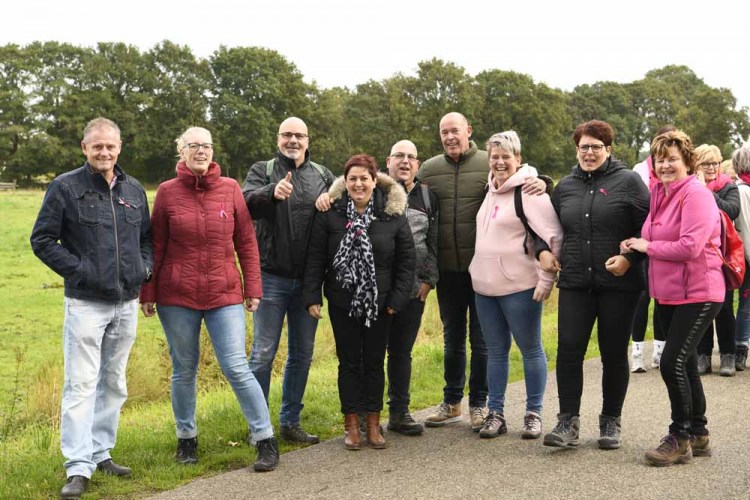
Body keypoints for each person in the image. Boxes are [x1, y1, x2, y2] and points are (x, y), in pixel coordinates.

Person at [140, 127, 278, 472]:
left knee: (236, 366)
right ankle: (186, 439)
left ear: (212, 151)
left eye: (206, 146)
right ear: (182, 151)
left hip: (224, 293)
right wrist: (148, 292)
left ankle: (264, 438)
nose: (201, 151)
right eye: (194, 146)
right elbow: (156, 245)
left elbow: (246, 242)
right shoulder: (167, 192)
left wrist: (253, 287)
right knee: (184, 369)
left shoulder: (230, 189)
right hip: (176, 295)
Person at [30, 118, 153, 499]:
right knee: (81, 384)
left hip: (126, 302)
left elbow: (146, 239)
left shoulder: (134, 189)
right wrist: (80, 271)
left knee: (114, 383)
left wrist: (144, 269)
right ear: (84, 148)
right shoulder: (65, 187)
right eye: (96, 146)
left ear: (119, 147)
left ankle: (102, 453)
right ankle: (78, 466)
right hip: (86, 304)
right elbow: (42, 239)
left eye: (110, 146)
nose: (104, 152)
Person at [418, 112, 546, 431]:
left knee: (484, 343)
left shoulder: (486, 163)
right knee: (452, 340)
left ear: (469, 131)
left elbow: (521, 175)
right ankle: (452, 402)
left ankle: (479, 404)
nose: (450, 137)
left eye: (455, 130)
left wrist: (543, 179)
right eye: (444, 132)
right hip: (449, 270)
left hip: (486, 273)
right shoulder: (429, 169)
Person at [542, 120, 649, 450]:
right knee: (568, 350)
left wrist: (630, 258)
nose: (589, 153)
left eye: (596, 147)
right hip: (575, 281)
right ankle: (567, 421)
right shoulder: (565, 187)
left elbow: (649, 229)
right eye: (583, 147)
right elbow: (546, 227)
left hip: (619, 284)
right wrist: (542, 251)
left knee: (613, 352)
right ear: (576, 150)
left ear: (609, 149)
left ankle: (610, 420)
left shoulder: (629, 182)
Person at [622, 129, 724, 466]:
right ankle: (699, 432)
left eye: (672, 160)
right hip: (669, 294)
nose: (665, 166)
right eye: (660, 160)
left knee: (671, 363)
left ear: (688, 162)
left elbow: (690, 247)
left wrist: (648, 246)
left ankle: (679, 436)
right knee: (686, 364)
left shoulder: (696, 195)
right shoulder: (659, 193)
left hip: (700, 292)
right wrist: (635, 244)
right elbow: (653, 235)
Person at [303, 154, 415, 450]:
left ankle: (374, 425)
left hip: (381, 304)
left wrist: (397, 299)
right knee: (349, 363)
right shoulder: (331, 213)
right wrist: (312, 296)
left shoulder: (392, 214)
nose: (358, 184)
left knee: (375, 363)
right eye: (352, 178)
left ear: (374, 181)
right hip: (343, 302)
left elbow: (407, 261)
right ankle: (352, 425)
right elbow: (316, 257)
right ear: (345, 182)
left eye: (364, 178)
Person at [242, 117, 334, 444]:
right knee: (262, 354)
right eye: (287, 135)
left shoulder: (323, 175)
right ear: (278, 138)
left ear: (308, 141)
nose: (293, 140)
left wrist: (330, 200)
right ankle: (259, 427)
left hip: (308, 281)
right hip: (270, 277)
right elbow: (244, 203)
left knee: (302, 354)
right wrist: (272, 192)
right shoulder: (262, 170)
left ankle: (290, 422)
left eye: (299, 135)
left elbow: (341, 208)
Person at [469, 131, 562, 439]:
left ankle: (534, 414)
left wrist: (546, 279)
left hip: (520, 288)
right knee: (496, 352)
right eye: (494, 157)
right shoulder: (488, 190)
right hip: (485, 289)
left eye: (506, 157)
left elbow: (554, 238)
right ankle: (495, 413)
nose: (499, 162)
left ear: (518, 159)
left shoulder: (530, 192)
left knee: (530, 349)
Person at [384, 140, 439, 436]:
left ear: (417, 164)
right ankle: (368, 415)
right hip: (380, 289)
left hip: (414, 290)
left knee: (401, 353)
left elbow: (433, 242)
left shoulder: (427, 196)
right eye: (399, 156)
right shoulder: (375, 191)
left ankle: (399, 412)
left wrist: (429, 280)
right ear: (388, 161)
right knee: (371, 354)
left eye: (411, 157)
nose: (405, 161)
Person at [629, 125, 675, 372]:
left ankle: (659, 350)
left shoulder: (680, 169)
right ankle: (637, 352)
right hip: (645, 238)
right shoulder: (640, 170)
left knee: (662, 298)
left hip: (667, 241)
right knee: (643, 297)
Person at [693, 144, 740, 376]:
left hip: (723, 255)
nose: (712, 168)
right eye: (706, 163)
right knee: (701, 307)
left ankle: (728, 356)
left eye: (715, 163)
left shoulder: (728, 187)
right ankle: (702, 356)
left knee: (724, 307)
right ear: (696, 166)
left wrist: (706, 192)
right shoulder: (689, 188)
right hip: (697, 254)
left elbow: (731, 211)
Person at [733, 146, 750, 371]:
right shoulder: (743, 190)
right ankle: (740, 349)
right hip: (746, 255)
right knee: (746, 305)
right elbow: (746, 228)